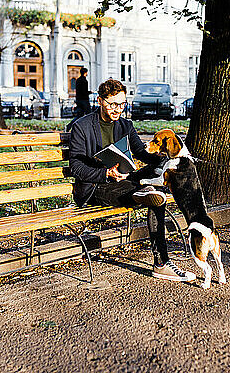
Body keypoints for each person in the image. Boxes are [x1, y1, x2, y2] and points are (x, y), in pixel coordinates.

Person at [69, 78, 196, 282]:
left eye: (122, 104)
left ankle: (144, 193)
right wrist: (105, 174)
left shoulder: (126, 125)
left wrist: (165, 157)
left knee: (158, 177)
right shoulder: (82, 127)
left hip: (126, 179)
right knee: (157, 195)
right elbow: (76, 167)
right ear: (100, 101)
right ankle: (161, 262)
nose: (118, 109)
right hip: (97, 186)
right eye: (112, 104)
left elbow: (140, 152)